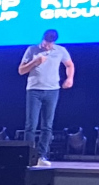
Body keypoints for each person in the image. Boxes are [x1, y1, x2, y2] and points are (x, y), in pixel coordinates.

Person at [19, 29, 73, 167]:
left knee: (47, 126)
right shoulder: (32, 50)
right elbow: (21, 70)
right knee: (31, 125)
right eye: (45, 43)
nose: (47, 46)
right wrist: (35, 62)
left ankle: (42, 155)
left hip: (52, 90)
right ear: (42, 39)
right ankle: (28, 156)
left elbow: (69, 65)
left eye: (50, 44)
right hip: (34, 90)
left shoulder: (60, 50)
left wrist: (69, 78)